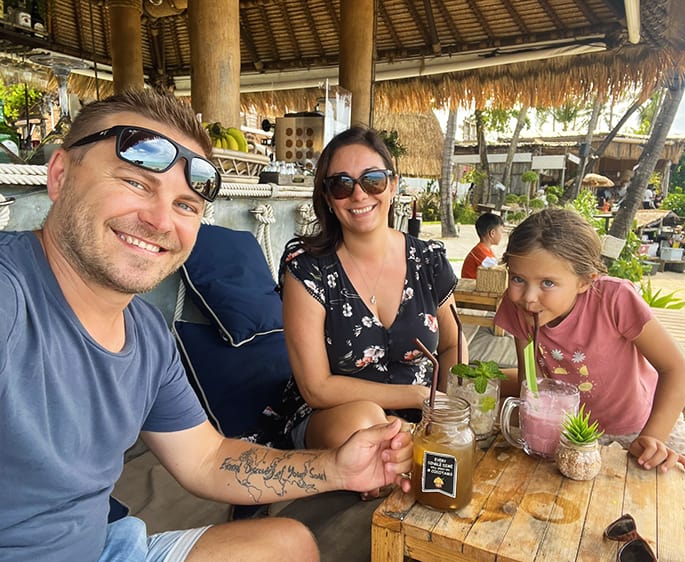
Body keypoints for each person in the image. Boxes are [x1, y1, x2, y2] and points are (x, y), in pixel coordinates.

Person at [0, 90, 413, 562]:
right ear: (60, 175)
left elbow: (206, 458)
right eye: (135, 183)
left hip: (102, 547)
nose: (159, 220)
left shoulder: (148, 335)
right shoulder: (11, 298)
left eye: (185, 205)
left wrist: (339, 469)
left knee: (287, 544)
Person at [493, 208, 685, 539]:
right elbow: (531, 382)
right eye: (518, 278)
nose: (528, 297)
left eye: (548, 283)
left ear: (585, 281)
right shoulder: (517, 308)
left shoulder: (614, 299)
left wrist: (654, 437)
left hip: (639, 422)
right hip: (571, 429)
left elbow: (676, 370)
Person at [277, 126, 466, 472]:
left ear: (392, 186)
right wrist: (415, 396)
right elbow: (316, 388)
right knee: (364, 422)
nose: (359, 195)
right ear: (328, 199)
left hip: (425, 414)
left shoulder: (429, 260)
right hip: (338, 416)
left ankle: (402, 456)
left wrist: (447, 406)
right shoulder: (306, 270)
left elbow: (454, 345)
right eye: (342, 185)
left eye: (373, 180)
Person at [460, 211, 503, 279]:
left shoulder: (483, 249)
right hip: (472, 287)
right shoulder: (481, 252)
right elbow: (497, 273)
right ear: (492, 233)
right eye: (501, 232)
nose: (502, 235)